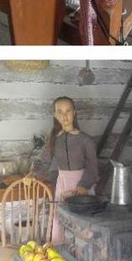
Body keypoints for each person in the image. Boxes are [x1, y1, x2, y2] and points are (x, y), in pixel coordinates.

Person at [32, 96, 99, 244]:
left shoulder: (86, 140)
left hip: (82, 187)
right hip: (62, 186)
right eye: (60, 112)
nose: (64, 116)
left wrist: (83, 186)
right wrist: (32, 175)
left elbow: (92, 167)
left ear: (74, 112)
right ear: (55, 115)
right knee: (60, 222)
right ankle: (62, 257)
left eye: (68, 111)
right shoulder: (54, 140)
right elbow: (43, 161)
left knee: (81, 224)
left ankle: (82, 257)